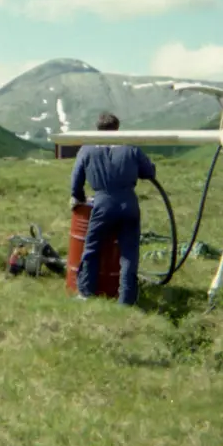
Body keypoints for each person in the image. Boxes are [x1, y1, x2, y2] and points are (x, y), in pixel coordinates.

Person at [69, 112, 157, 306]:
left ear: (97, 128)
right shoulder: (130, 146)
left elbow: (76, 182)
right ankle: (127, 300)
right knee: (129, 254)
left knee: (92, 249)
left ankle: (86, 293)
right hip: (129, 204)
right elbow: (149, 172)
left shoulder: (87, 149)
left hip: (102, 204)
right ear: (117, 128)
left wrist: (80, 197)